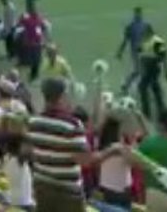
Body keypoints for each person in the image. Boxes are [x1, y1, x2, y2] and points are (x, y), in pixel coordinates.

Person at [27, 77, 116, 212]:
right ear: (62, 96)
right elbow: (86, 161)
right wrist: (111, 151)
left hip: (42, 187)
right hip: (67, 193)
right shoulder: (72, 125)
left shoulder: (33, 122)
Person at [137, 24, 167, 120]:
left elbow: (164, 56)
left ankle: (149, 112)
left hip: (153, 67)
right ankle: (158, 111)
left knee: (145, 87)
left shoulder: (157, 41)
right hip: (148, 68)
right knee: (152, 88)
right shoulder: (146, 41)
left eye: (144, 32)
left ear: (149, 31)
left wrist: (166, 71)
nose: (143, 34)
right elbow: (141, 52)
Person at [117, 7, 147, 94]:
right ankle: (127, 86)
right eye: (137, 14)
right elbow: (125, 40)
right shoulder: (130, 27)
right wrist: (120, 51)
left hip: (144, 52)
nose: (138, 15)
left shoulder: (145, 26)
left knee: (142, 71)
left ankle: (127, 86)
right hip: (136, 52)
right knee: (139, 71)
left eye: (139, 14)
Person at [16, 2, 48, 80]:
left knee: (34, 59)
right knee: (35, 59)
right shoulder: (36, 19)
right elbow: (44, 28)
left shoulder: (30, 19)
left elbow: (19, 23)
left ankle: (33, 73)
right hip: (34, 42)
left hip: (33, 42)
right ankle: (33, 73)